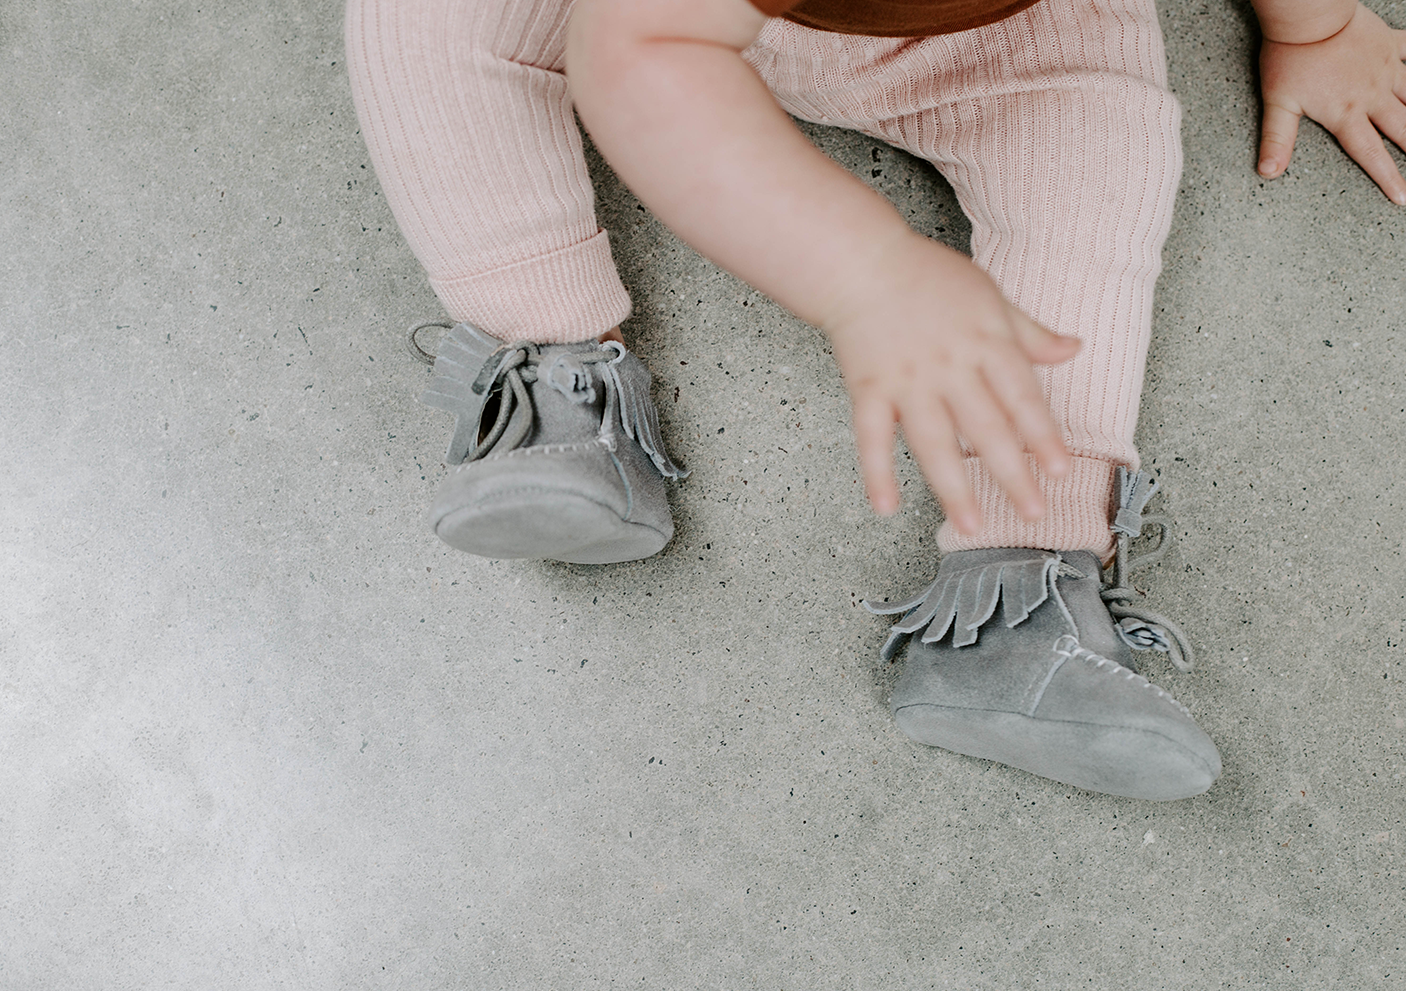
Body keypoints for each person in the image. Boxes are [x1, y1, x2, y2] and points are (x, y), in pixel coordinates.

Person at [345, 0, 1406, 799]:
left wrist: (1309, 26)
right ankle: (549, 372)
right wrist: (863, 276)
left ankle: (1020, 587)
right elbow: (642, 56)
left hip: (1013, 33)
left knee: (1101, 147)